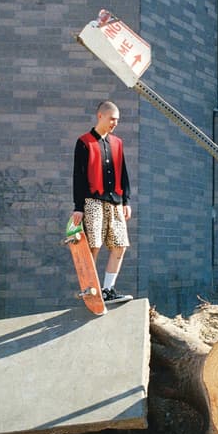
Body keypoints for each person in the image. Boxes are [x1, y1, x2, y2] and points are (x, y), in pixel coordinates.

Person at [71, 100, 132, 302]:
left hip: (115, 201)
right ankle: (90, 288)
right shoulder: (84, 142)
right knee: (94, 245)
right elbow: (78, 177)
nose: (115, 123)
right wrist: (78, 207)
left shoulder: (118, 143)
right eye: (112, 119)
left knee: (120, 245)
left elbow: (123, 174)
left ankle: (108, 290)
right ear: (100, 116)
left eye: (118, 120)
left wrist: (126, 201)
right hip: (92, 201)